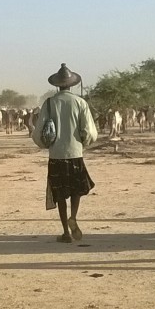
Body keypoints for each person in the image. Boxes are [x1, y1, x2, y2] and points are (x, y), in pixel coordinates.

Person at [31, 63, 98, 243]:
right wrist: (83, 142)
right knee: (76, 190)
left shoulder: (50, 103)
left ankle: (65, 233)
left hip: (56, 155)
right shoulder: (80, 102)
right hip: (75, 153)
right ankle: (73, 217)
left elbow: (38, 132)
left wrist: (44, 145)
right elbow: (90, 132)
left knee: (60, 194)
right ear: (71, 84)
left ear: (57, 85)